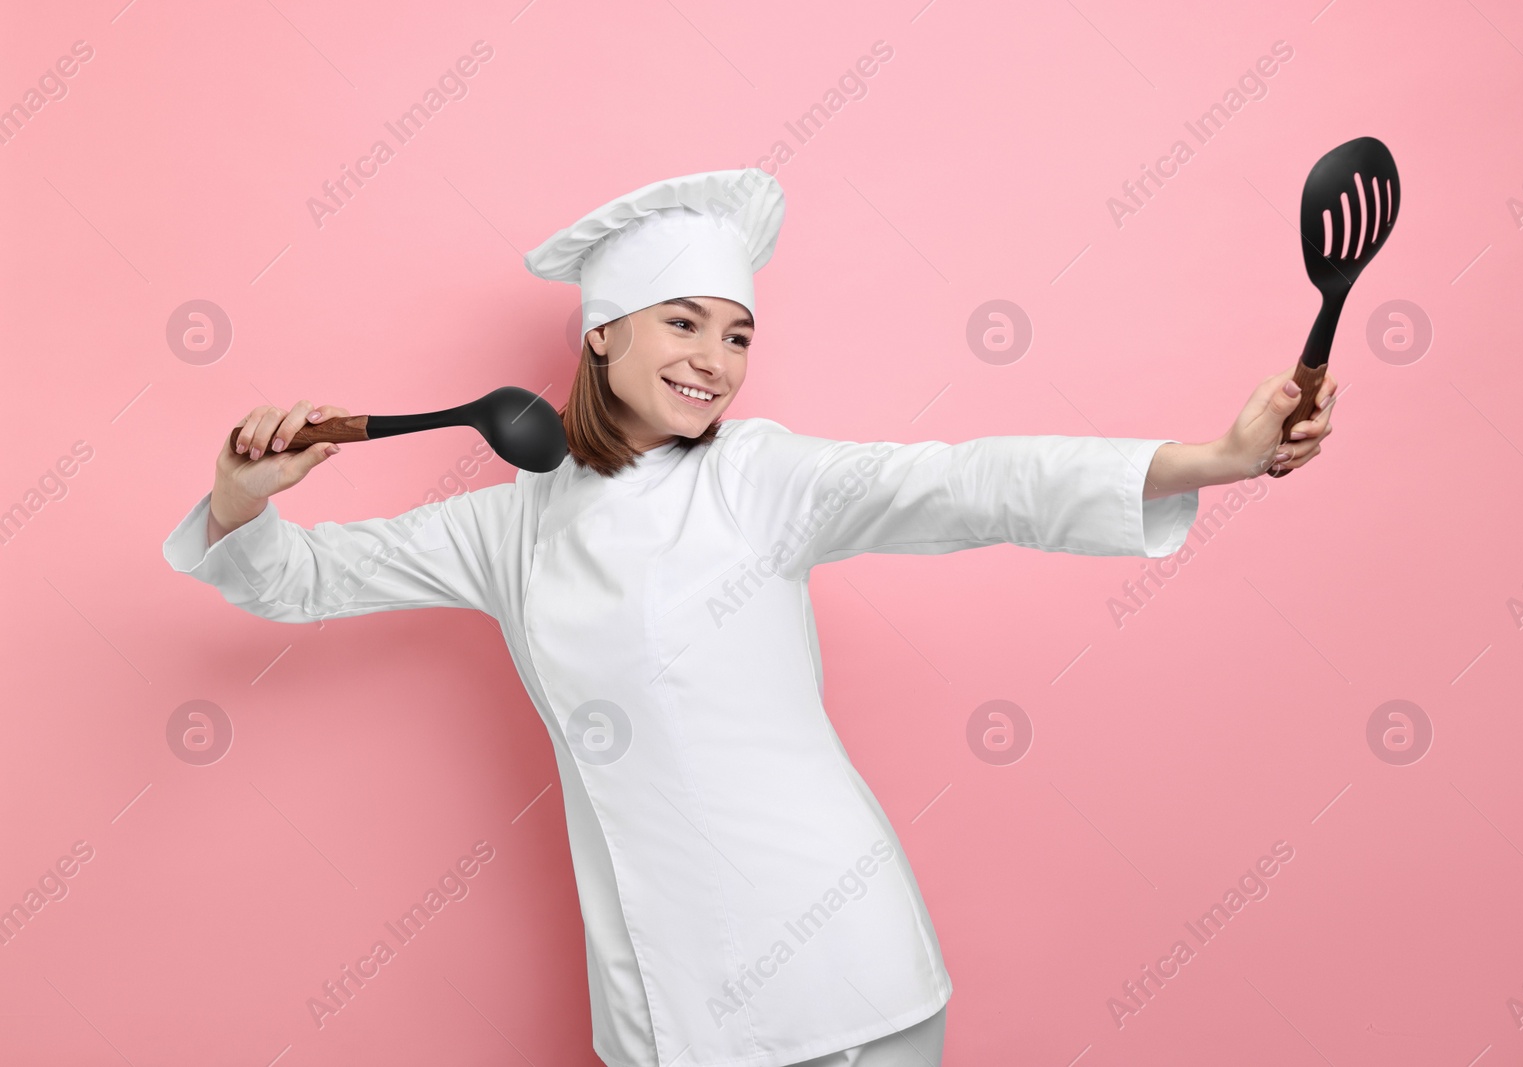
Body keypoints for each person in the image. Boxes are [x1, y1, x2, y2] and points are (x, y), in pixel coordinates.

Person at [163, 169, 1335, 1067]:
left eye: (736, 333)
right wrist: (240, 495)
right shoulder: (506, 526)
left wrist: (1214, 459)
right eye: (682, 323)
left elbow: (967, 479)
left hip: (852, 971)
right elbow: (294, 580)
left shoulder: (762, 475)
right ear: (602, 333)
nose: (716, 360)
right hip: (669, 1004)